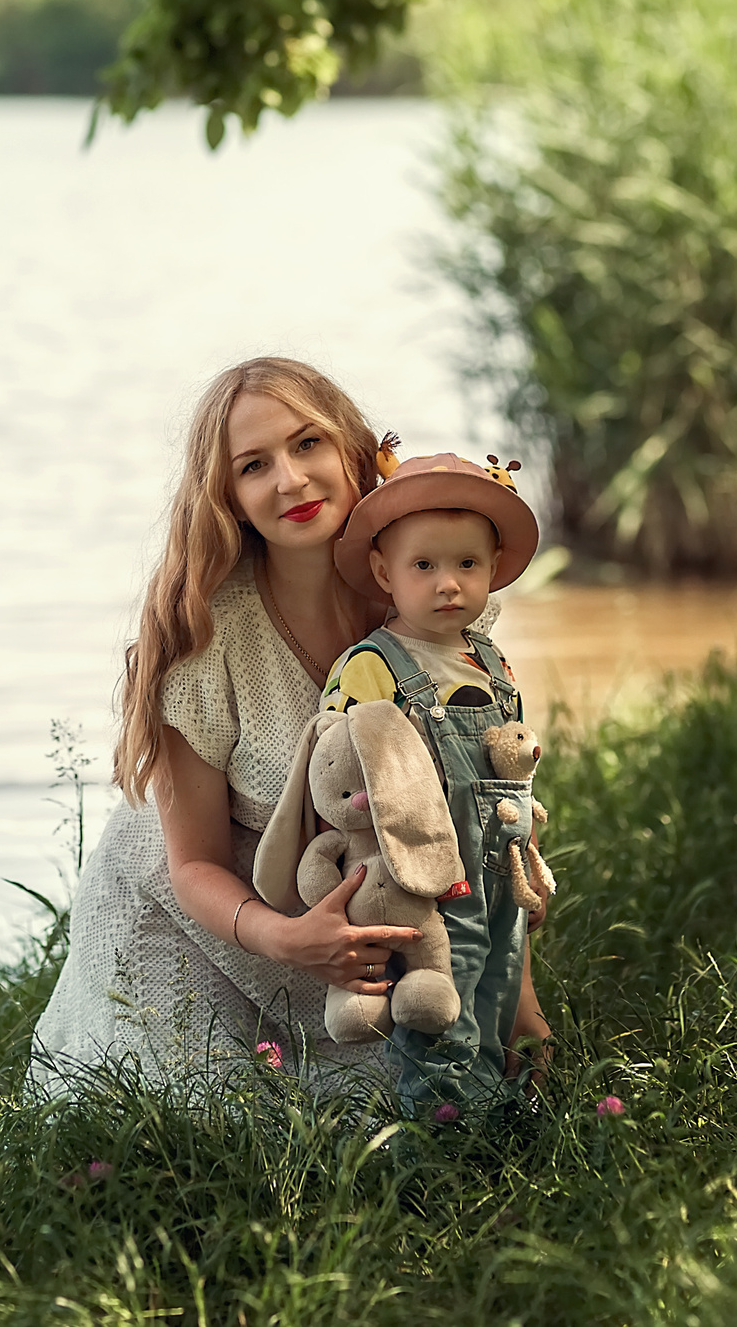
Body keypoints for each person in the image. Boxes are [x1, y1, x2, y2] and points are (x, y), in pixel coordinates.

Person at [28, 357, 462, 1092]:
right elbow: (191, 863)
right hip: (204, 916)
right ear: (227, 495)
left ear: (353, 449)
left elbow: (483, 783)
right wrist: (290, 938)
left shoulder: (433, 589)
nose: (289, 480)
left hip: (378, 919)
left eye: (306, 444)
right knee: (186, 1124)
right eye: (254, 465)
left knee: (444, 1112)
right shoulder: (204, 636)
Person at [301, 451, 557, 1113]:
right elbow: (339, 777)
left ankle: (510, 1112)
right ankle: (442, 1135)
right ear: (385, 572)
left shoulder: (494, 663)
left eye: (467, 564)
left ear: (494, 567)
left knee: (502, 993)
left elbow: (515, 775)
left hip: (500, 865)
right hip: (426, 877)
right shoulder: (372, 666)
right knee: (442, 1004)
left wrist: (531, 856)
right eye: (425, 566)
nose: (448, 583)